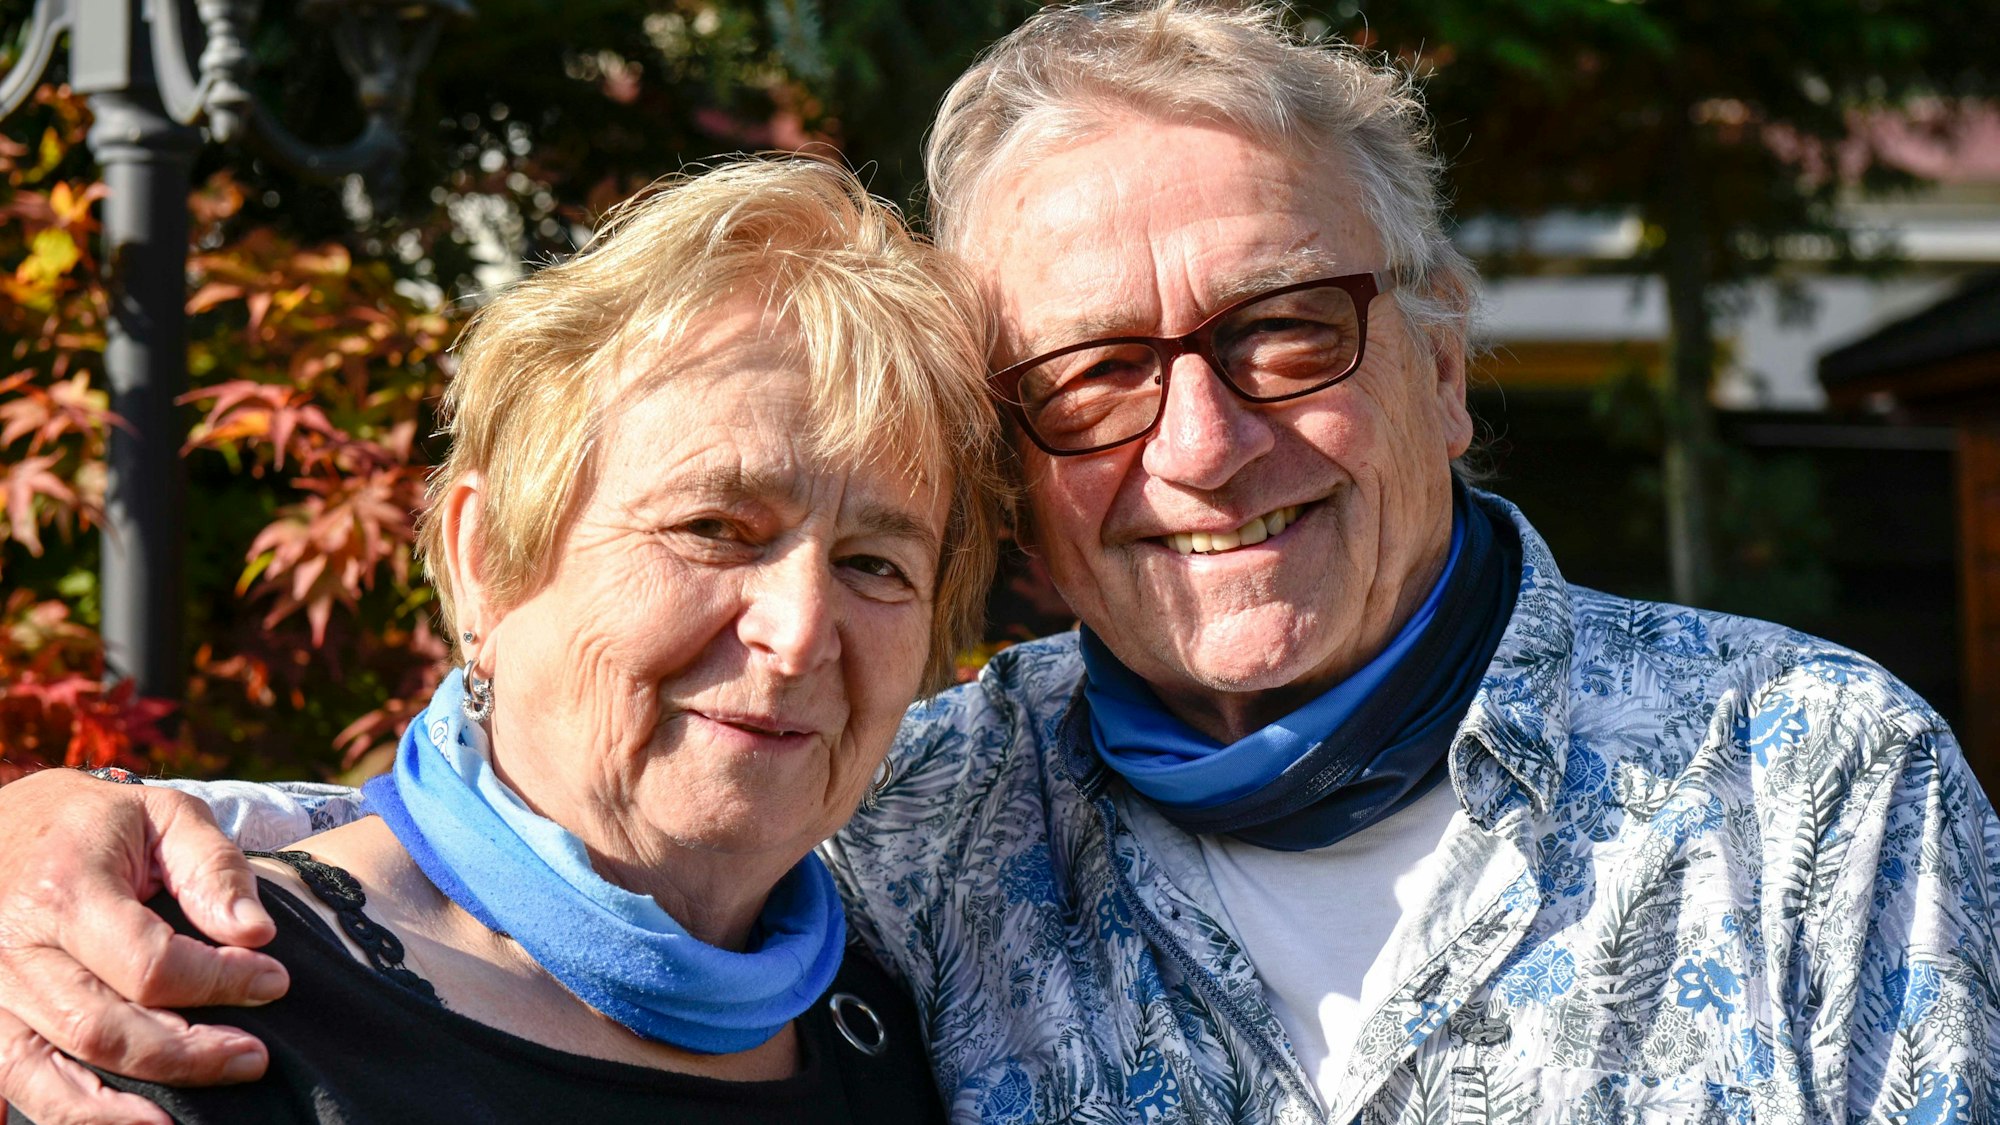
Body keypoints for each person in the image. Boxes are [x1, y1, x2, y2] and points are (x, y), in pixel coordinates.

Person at [1, 3, 1996, 1123]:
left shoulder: (1804, 780)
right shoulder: (929, 807)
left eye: (1287, 331)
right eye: (1093, 378)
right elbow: (560, 823)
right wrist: (74, 828)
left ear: (1447, 371)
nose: (1202, 445)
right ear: (1020, 487)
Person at [0, 155, 1007, 1123]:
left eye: (876, 564)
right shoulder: (167, 1002)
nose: (797, 632)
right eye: (712, 529)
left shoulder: (924, 1031)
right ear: (485, 557)